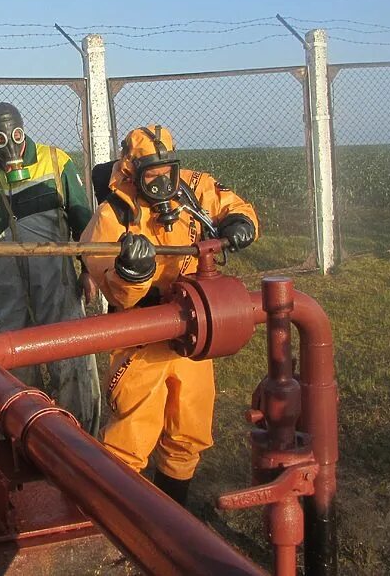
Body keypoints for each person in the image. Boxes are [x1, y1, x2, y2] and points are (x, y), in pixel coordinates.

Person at [81, 124, 258, 505]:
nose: (161, 184)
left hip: (193, 329)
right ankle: (118, 518)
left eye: (167, 172)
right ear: (131, 170)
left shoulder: (194, 187)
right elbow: (112, 284)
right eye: (150, 175)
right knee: (131, 431)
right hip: (142, 333)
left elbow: (233, 204)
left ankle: (175, 511)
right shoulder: (114, 213)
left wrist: (240, 223)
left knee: (189, 427)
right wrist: (131, 273)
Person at [0, 102, 101, 435]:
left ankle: (81, 435)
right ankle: (27, 432)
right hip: (5, 283)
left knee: (69, 350)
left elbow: (84, 221)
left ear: (23, 130)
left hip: (55, 277)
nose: (10, 144)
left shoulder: (56, 161)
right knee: (14, 359)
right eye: (0, 138)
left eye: (15, 134)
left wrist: (88, 269)